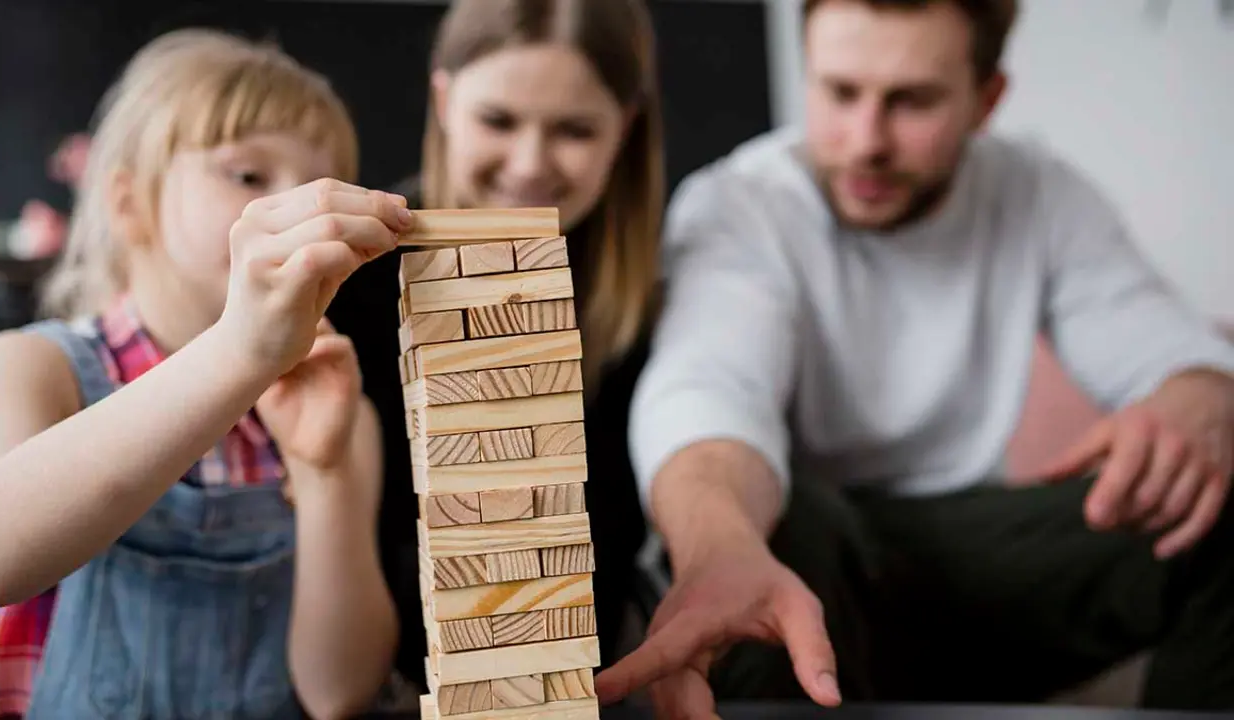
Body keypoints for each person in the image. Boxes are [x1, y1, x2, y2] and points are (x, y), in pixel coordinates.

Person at [595, 0, 1234, 715]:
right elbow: (710, 386)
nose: (866, 140)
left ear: (986, 99)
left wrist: (1199, 394)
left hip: (971, 567)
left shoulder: (1037, 192)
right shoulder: (738, 207)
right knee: (780, 526)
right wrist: (717, 543)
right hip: (799, 572)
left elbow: (1156, 341)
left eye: (912, 102)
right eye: (839, 93)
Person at [0, 29, 409, 719]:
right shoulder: (33, 368)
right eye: (249, 176)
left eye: (320, 188)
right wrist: (241, 351)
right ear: (130, 202)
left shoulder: (340, 409)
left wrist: (325, 473)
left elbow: (337, 690)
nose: (291, 209)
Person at [325, 0, 664, 689]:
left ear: (624, 128)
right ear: (444, 100)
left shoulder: (653, 307)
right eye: (498, 120)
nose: (530, 162)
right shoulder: (349, 286)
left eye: (573, 129)